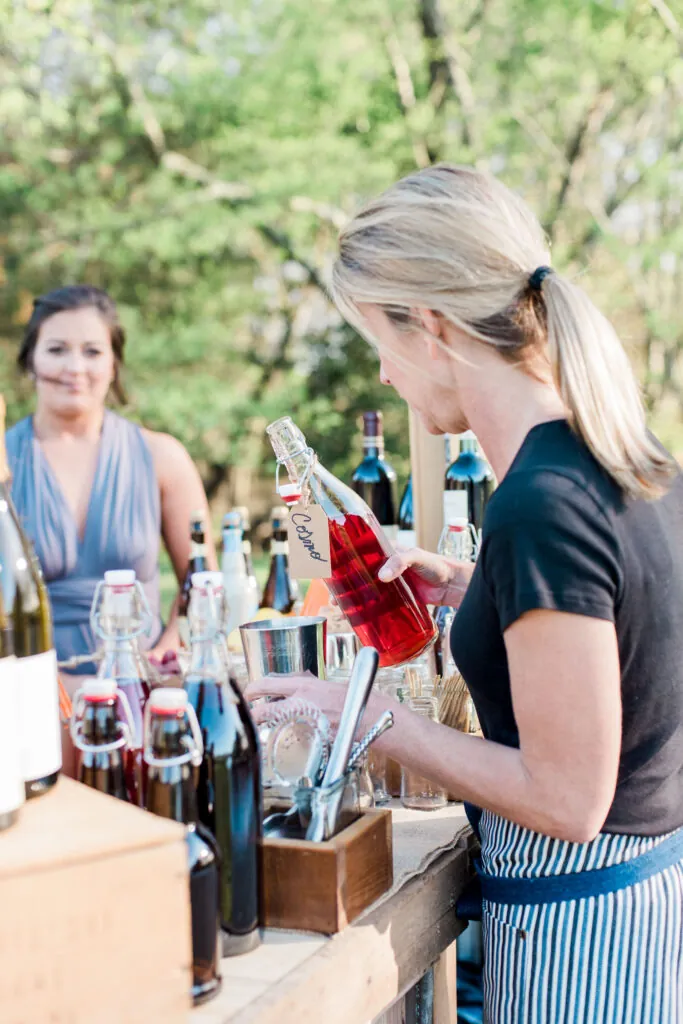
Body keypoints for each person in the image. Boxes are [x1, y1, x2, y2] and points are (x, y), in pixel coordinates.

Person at [247, 166, 683, 1023]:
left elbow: (567, 798)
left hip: (585, 938)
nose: (380, 374)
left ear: (432, 327)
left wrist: (359, 714)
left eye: (379, 337)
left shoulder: (540, 505)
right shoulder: (623, 463)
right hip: (636, 908)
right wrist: (468, 592)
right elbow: (621, 635)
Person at [7, 285, 215, 682]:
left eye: (92, 351)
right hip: (27, 688)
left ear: (114, 364)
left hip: (143, 689)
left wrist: (162, 659)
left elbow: (203, 581)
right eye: (56, 349)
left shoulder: (163, 457)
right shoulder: (3, 464)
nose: (75, 367)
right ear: (30, 360)